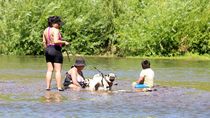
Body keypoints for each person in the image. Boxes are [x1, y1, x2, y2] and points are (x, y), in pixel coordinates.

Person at [42, 16, 69, 91]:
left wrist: (47, 49)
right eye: (58, 23)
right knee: (58, 70)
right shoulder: (56, 30)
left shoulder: (45, 30)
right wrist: (64, 42)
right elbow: (56, 41)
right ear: (54, 23)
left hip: (48, 50)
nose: (60, 25)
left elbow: (44, 42)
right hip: (55, 50)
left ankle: (48, 87)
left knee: (49, 70)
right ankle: (59, 87)